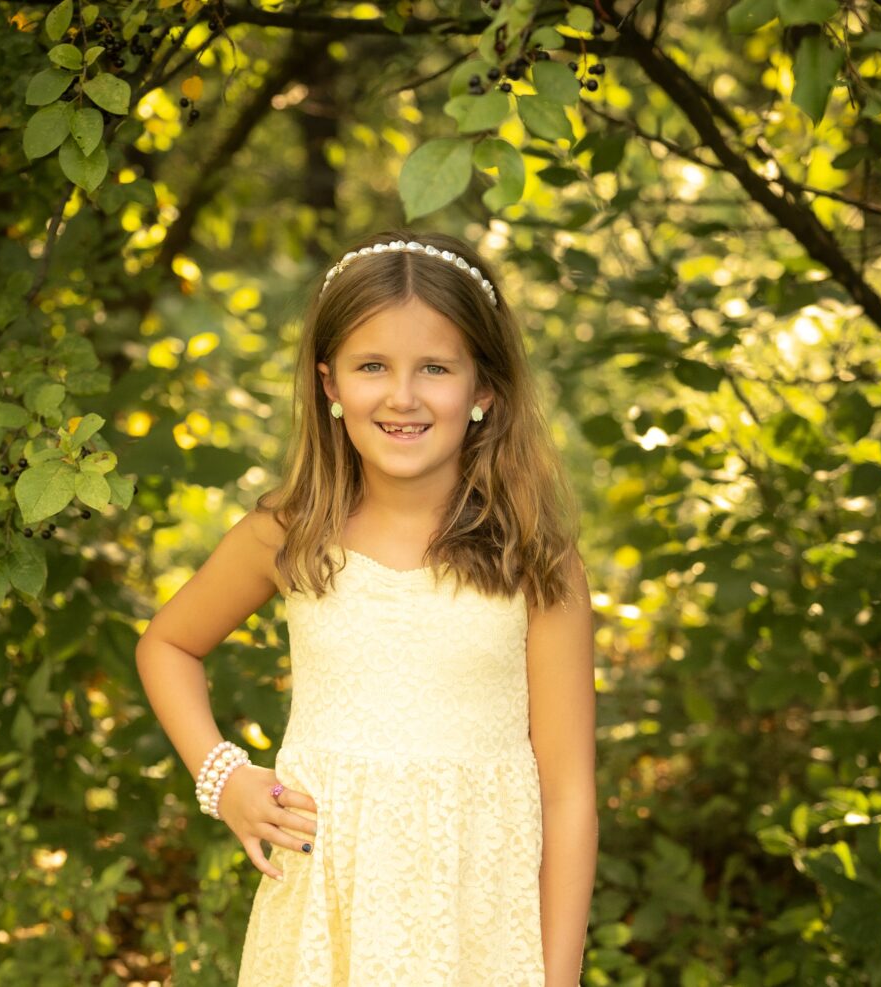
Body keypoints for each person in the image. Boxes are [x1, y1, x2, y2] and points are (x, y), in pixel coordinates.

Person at [135, 230, 597, 987]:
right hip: (325, 926)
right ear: (330, 383)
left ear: (483, 389)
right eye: (373, 366)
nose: (403, 395)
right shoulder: (288, 535)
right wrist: (224, 776)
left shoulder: (536, 561)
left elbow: (570, 791)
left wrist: (558, 976)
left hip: (477, 928)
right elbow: (168, 645)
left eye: (436, 368)